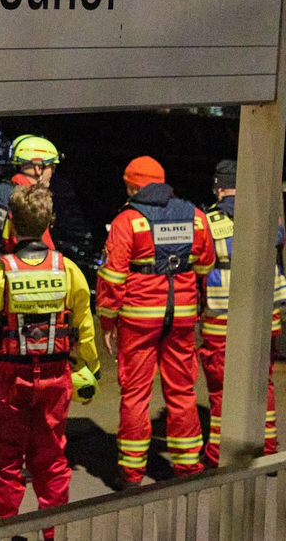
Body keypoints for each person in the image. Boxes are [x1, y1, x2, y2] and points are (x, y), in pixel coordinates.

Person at [0, 185, 99, 537]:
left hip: (10, 378)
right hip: (56, 377)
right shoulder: (68, 270)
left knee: (6, 461)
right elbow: (85, 325)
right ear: (48, 222)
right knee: (52, 459)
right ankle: (52, 533)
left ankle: (5, 531)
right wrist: (91, 367)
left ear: (11, 222)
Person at [96, 156, 215, 487]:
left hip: (138, 318)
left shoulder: (128, 220)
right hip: (182, 317)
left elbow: (112, 275)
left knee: (135, 394)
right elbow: (206, 264)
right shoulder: (195, 216)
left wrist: (107, 319)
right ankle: (188, 466)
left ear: (133, 185)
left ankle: (132, 472)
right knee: (182, 391)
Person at [0, 134, 62, 454]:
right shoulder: (27, 203)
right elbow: (43, 256)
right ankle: (12, 454)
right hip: (21, 303)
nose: (52, 174)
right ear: (37, 167)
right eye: (50, 167)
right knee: (20, 387)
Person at [200, 159, 286, 466]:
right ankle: (267, 451)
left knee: (220, 389)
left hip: (222, 317)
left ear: (219, 187)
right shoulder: (266, 215)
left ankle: (217, 458)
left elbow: (200, 264)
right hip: (266, 313)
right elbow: (280, 240)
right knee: (262, 382)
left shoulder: (208, 221)